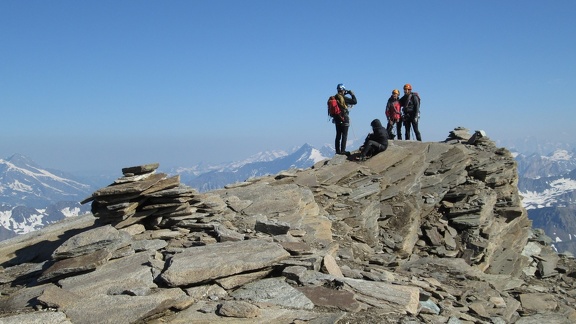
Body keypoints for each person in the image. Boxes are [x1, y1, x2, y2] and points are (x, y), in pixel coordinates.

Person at [332, 83, 357, 155]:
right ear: (343, 90)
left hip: (336, 118)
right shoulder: (343, 98)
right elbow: (355, 101)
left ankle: (337, 151)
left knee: (338, 135)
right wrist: (352, 94)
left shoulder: (335, 97)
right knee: (344, 135)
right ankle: (343, 151)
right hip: (344, 118)